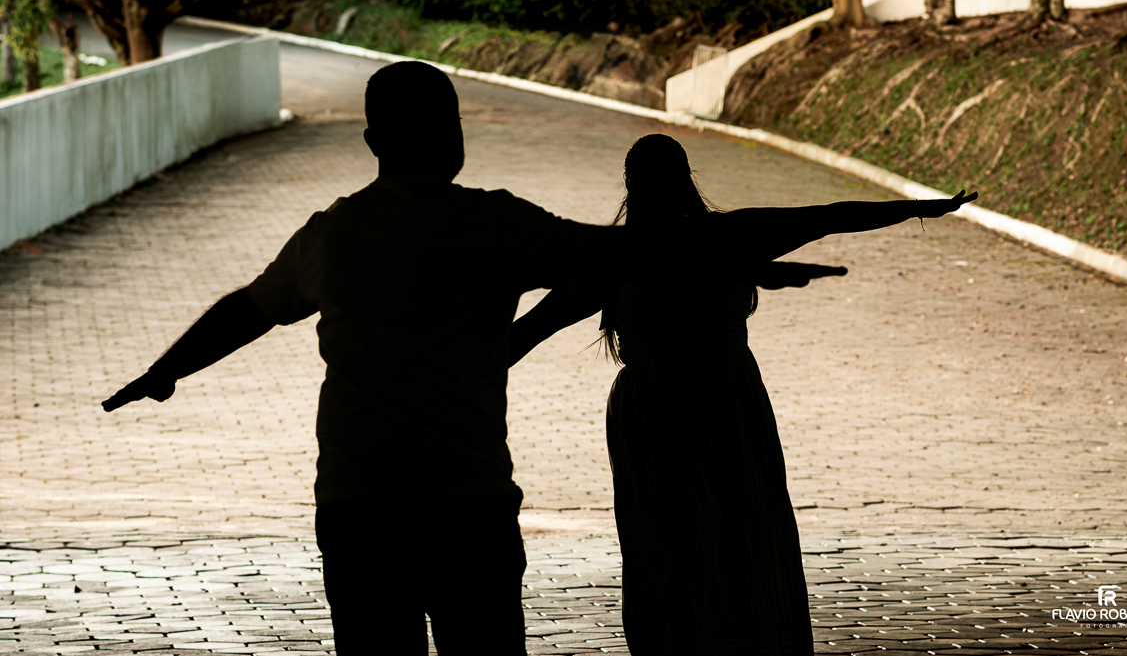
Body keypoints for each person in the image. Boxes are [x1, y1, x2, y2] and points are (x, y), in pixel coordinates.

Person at [103, 62, 975, 654]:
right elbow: (642, 255)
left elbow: (245, 312)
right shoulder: (497, 225)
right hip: (466, 505)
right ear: (452, 135)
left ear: (373, 144)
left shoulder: (333, 236)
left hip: (359, 505)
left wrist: (169, 367)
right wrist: (779, 246)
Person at [508, 134, 978, 655]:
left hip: (682, 407)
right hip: (711, 403)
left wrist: (922, 208)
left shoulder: (636, 253)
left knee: (693, 536)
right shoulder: (707, 239)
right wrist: (921, 208)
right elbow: (829, 215)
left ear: (631, 186)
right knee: (728, 530)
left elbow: (523, 335)